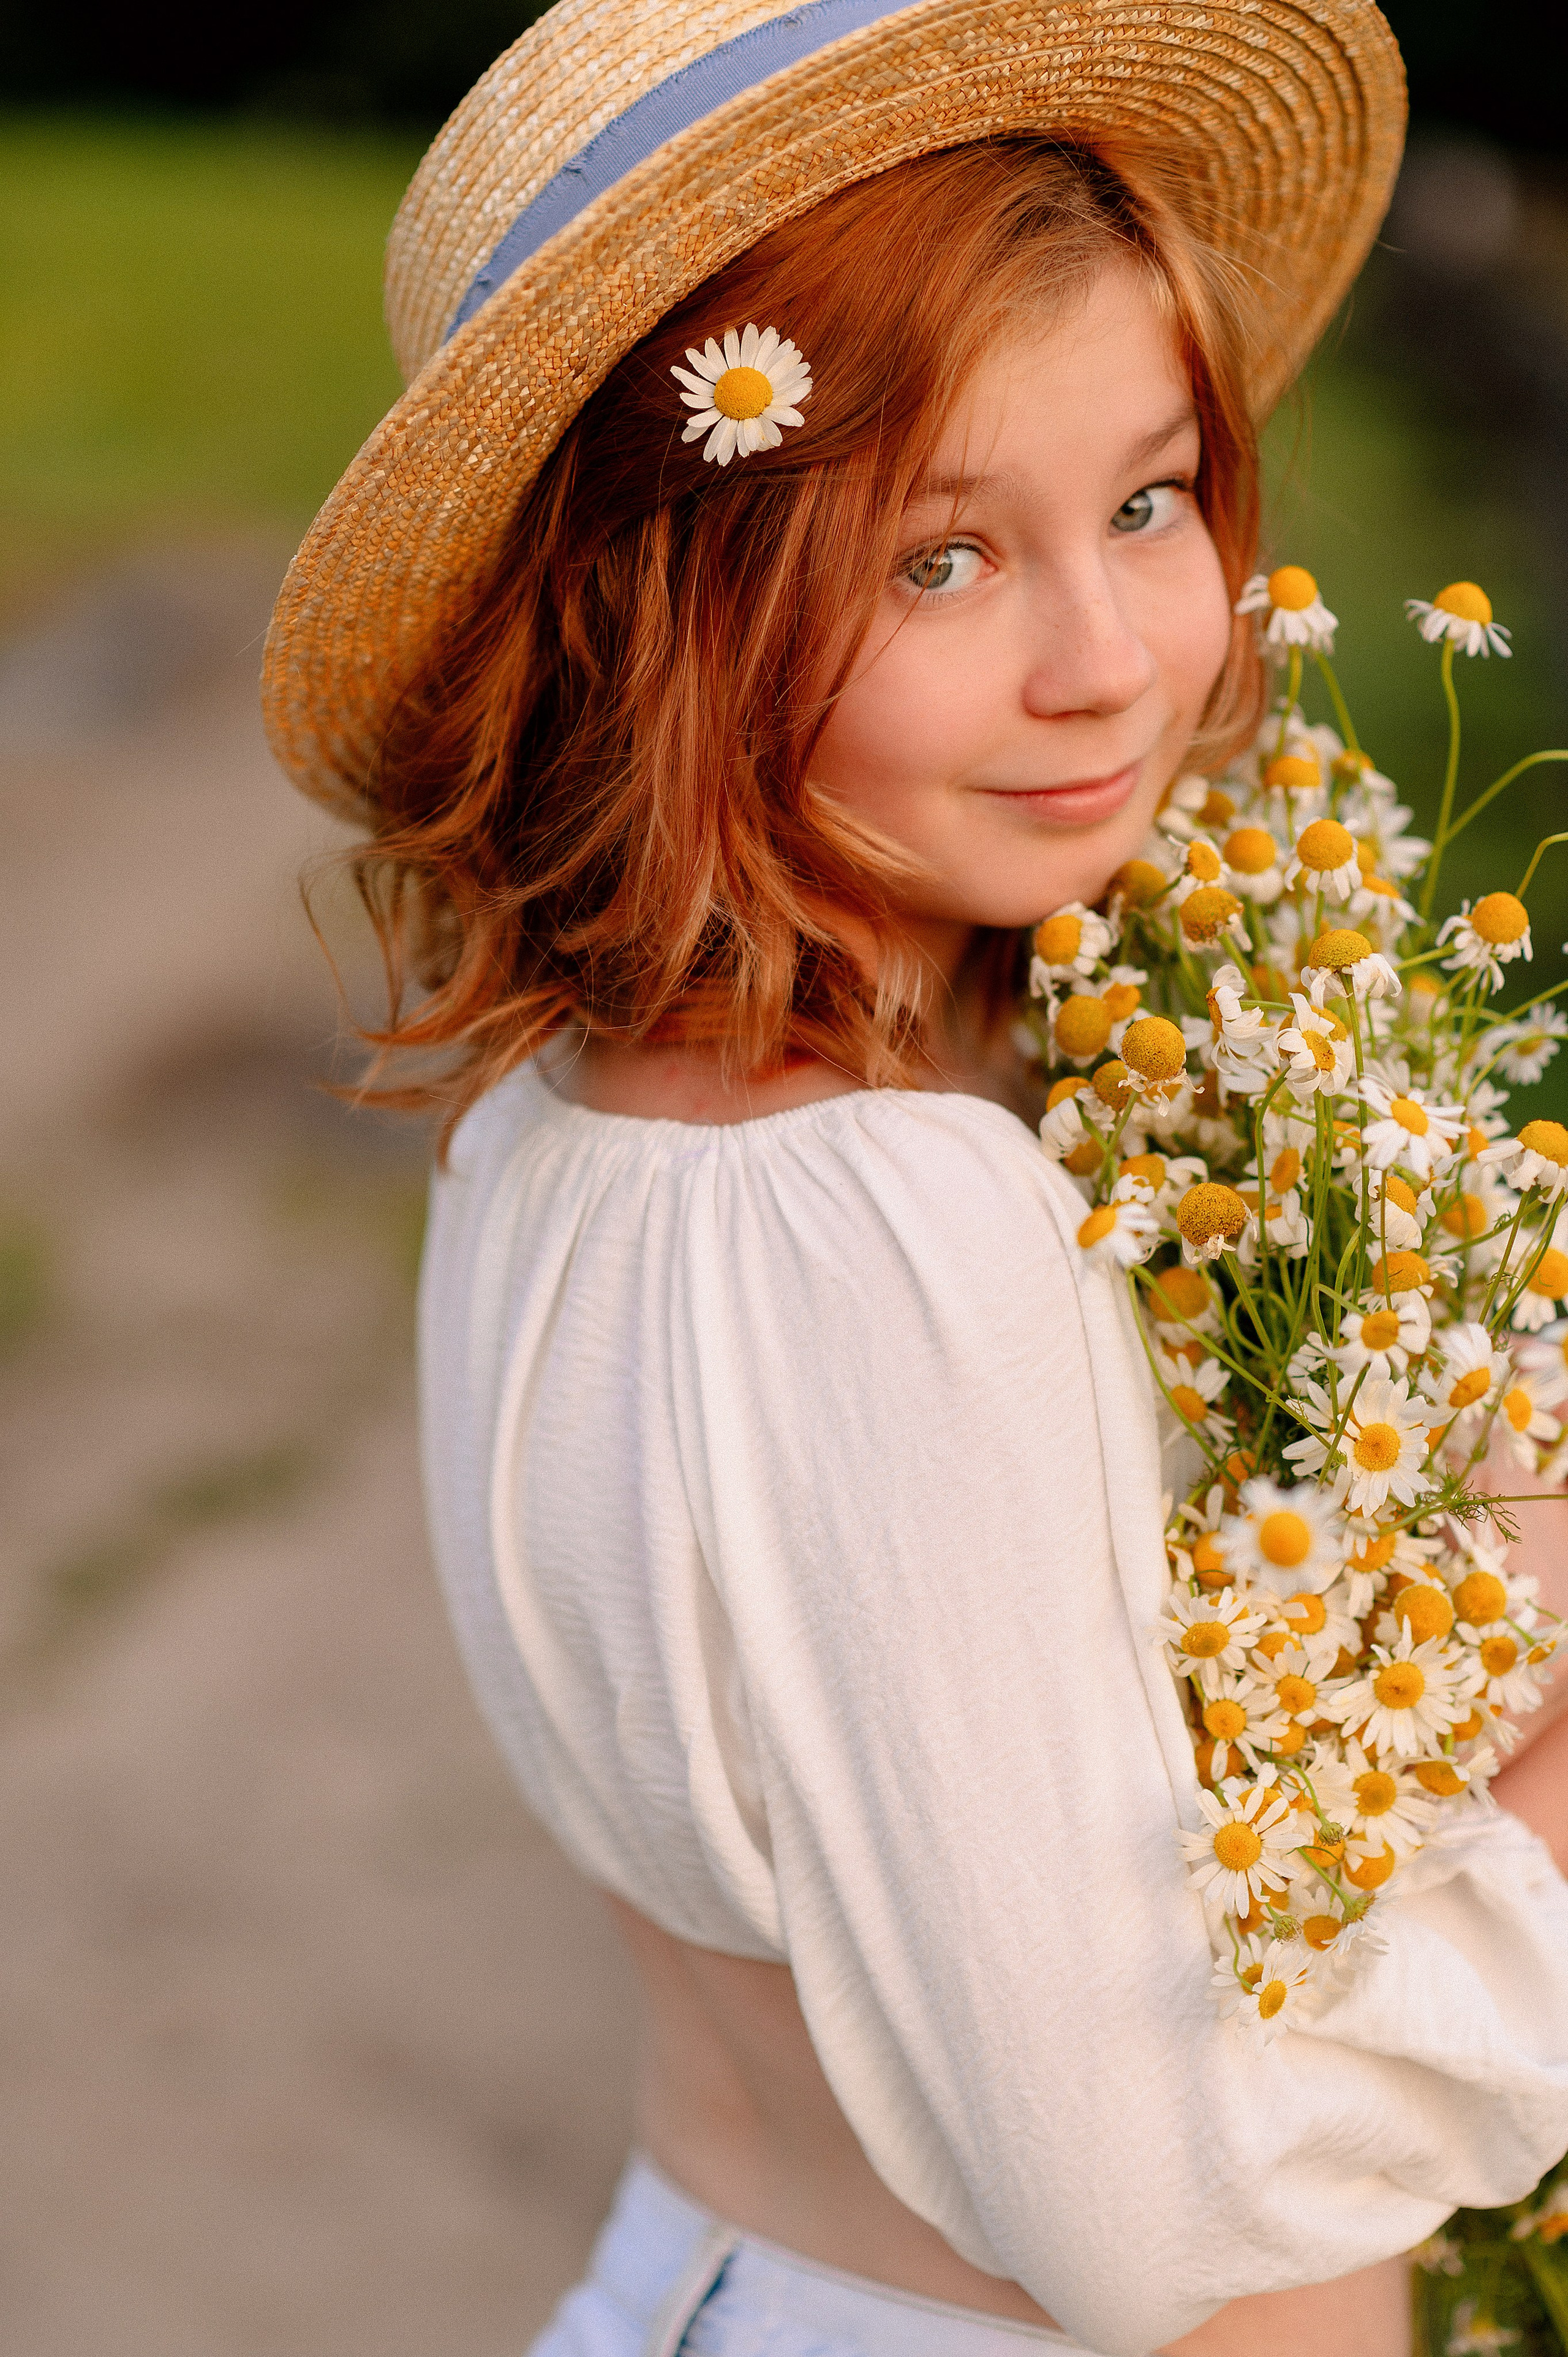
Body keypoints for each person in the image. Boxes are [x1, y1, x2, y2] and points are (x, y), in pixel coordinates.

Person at [261, 5, 1568, 2352]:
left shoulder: (558, 1120)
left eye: (1152, 504)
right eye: (940, 560)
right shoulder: (882, 1232)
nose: (1112, 664)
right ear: (657, 613)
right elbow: (1152, 2205)